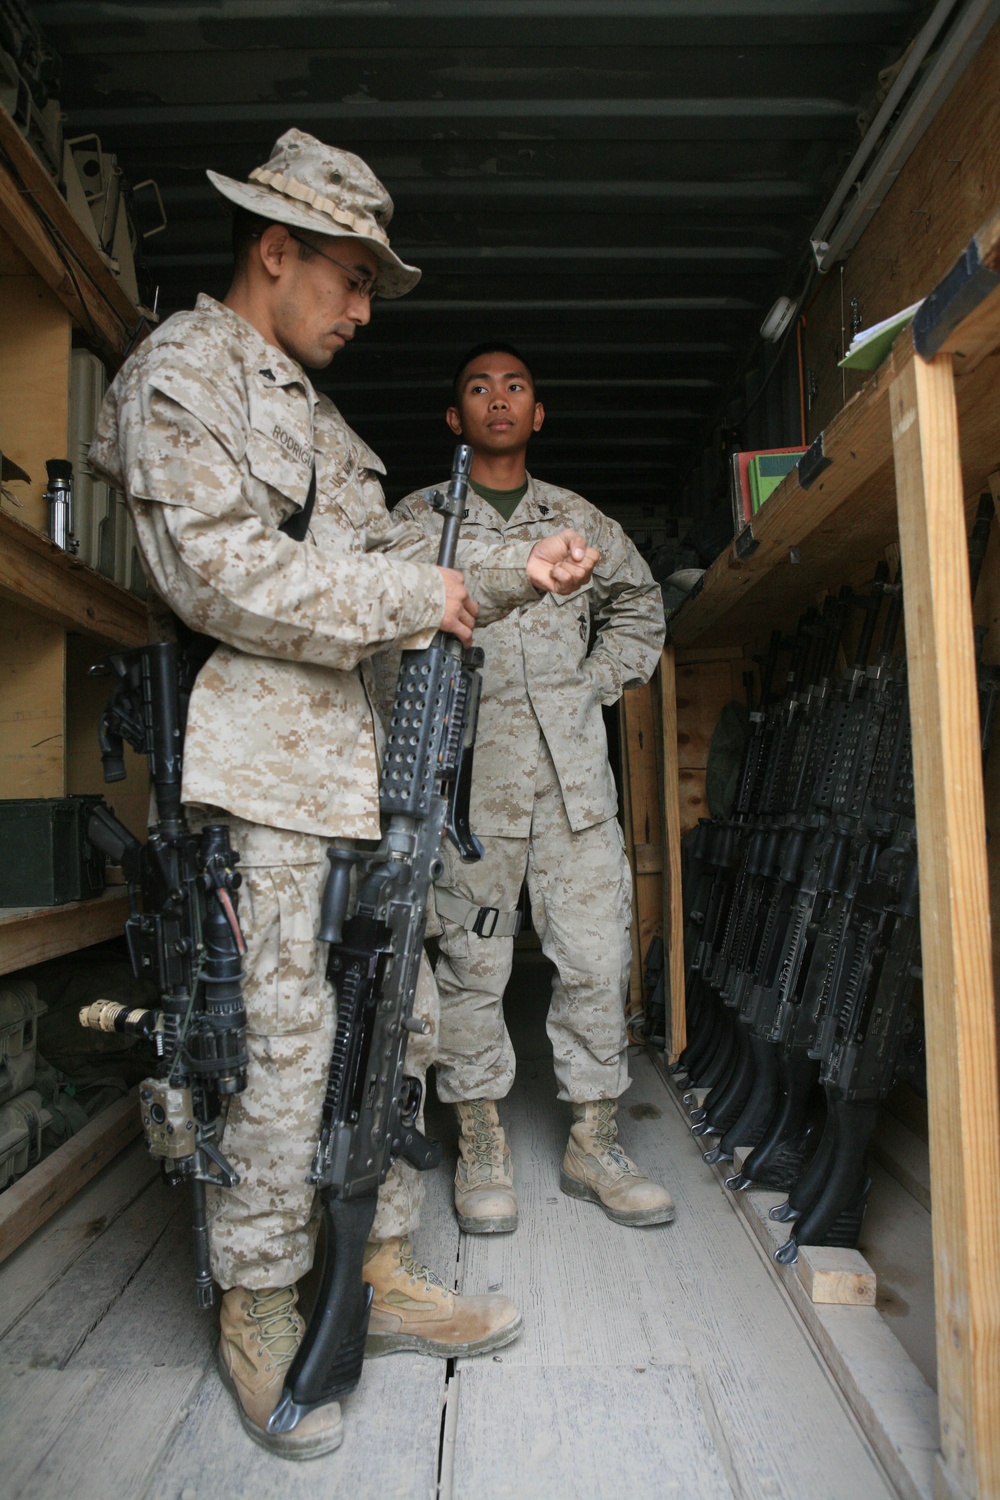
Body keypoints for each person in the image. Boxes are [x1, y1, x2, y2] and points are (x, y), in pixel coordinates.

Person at [89, 135, 599, 1461]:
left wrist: (508, 573)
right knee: (280, 1050)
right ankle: (263, 1307)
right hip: (258, 778)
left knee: (402, 1024)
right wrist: (413, 596)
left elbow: (392, 562)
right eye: (355, 280)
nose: (366, 312)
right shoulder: (181, 381)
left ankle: (374, 1272)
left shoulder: (316, 416)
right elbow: (218, 573)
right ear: (278, 251)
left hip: (367, 779)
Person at [393, 343, 674, 1238]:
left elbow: (641, 607)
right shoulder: (419, 521)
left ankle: (595, 1138)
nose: (499, 400)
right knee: (472, 969)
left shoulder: (577, 518)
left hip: (573, 788)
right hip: (470, 785)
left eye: (515, 386)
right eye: (478, 386)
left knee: (595, 959)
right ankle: (479, 1139)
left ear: (538, 412)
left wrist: (592, 684)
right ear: (455, 418)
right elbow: (383, 616)